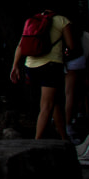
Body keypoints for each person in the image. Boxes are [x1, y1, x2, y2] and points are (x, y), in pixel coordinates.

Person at [10, 10, 75, 140]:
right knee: (46, 105)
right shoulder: (62, 20)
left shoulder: (32, 21)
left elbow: (21, 45)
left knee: (54, 101)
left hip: (30, 66)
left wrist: (15, 65)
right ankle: (37, 142)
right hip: (50, 66)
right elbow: (71, 45)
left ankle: (64, 138)